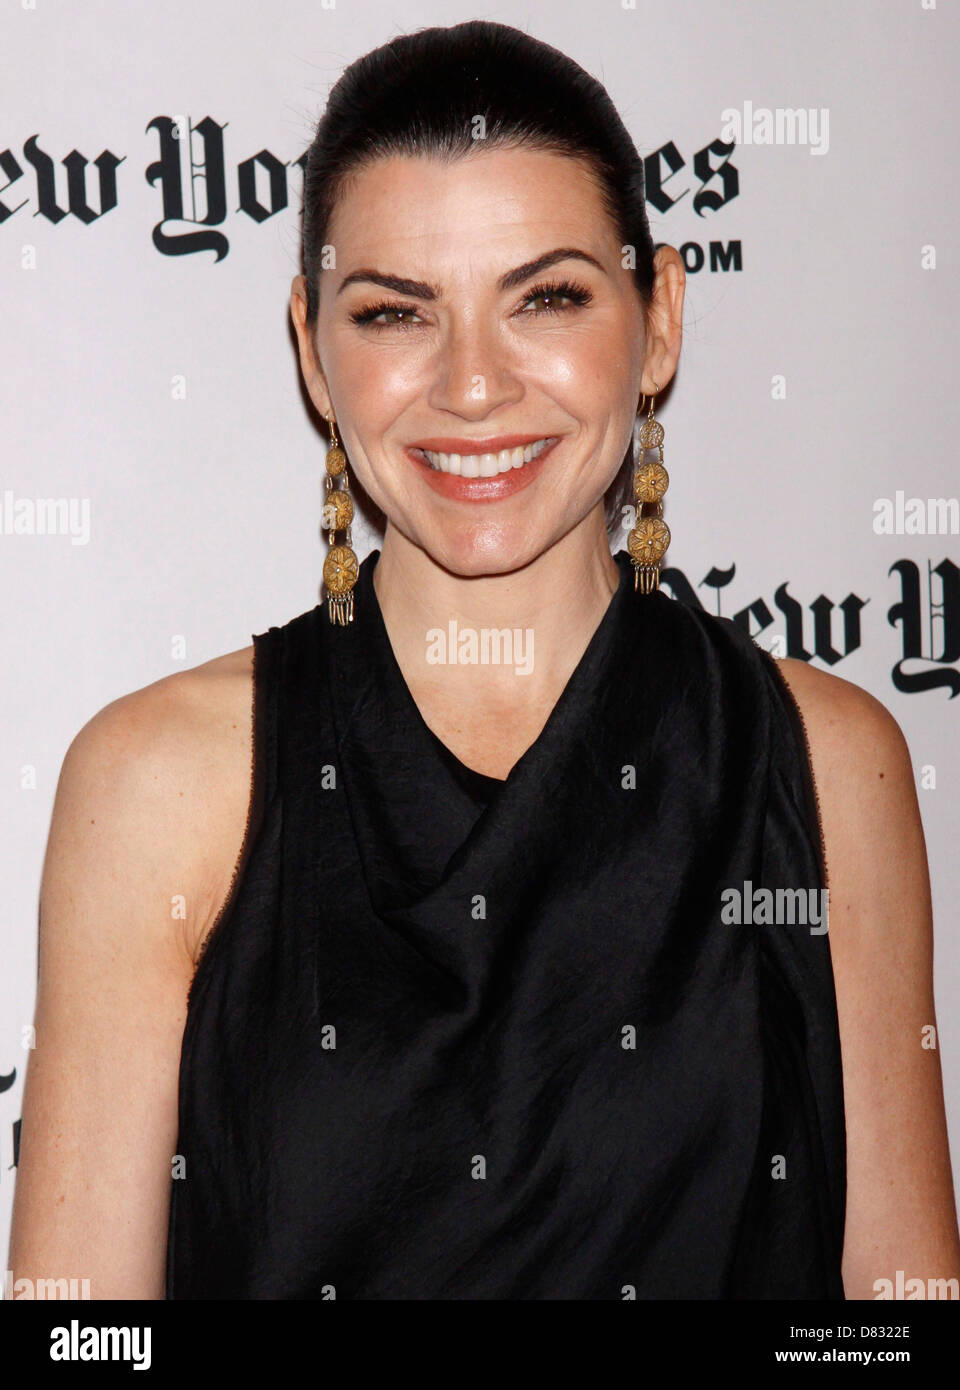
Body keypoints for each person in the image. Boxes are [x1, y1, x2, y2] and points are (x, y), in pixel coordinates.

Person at [9, 19, 960, 1300]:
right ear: (312, 348)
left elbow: (896, 1315)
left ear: (659, 316)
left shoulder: (826, 766)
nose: (471, 385)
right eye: (397, 312)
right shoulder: (160, 784)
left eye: (547, 297)